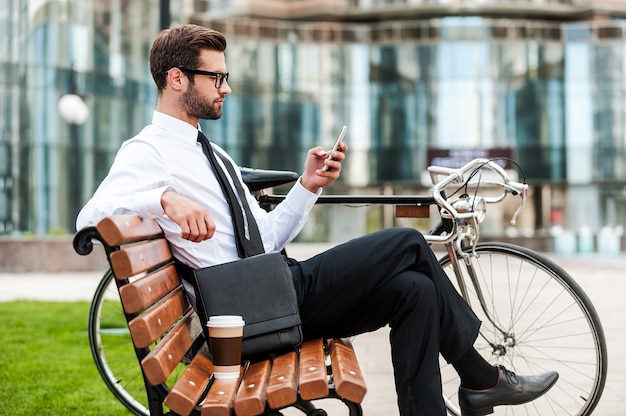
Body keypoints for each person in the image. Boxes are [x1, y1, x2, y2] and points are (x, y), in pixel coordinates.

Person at [77, 24, 558, 416]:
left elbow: (264, 238)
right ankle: (481, 378)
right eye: (215, 78)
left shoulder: (212, 154)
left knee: (417, 291)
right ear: (177, 79)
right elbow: (91, 215)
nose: (226, 88)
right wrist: (165, 198)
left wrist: (308, 185)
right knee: (408, 245)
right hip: (249, 314)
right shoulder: (148, 151)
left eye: (226, 77)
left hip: (272, 291)